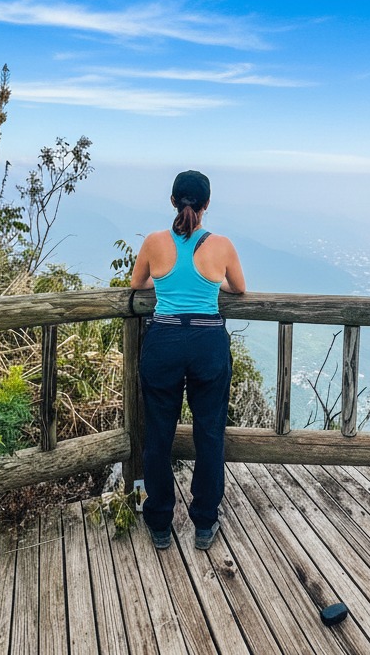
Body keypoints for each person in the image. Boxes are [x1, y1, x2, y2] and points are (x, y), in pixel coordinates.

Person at [129, 170, 246, 551]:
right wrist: (212, 283)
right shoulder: (222, 245)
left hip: (163, 339)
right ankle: (204, 522)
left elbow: (137, 284)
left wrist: (166, 282)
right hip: (207, 341)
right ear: (207, 204)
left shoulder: (154, 242)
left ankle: (159, 522)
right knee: (209, 433)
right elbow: (239, 288)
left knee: (158, 434)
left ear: (172, 201)